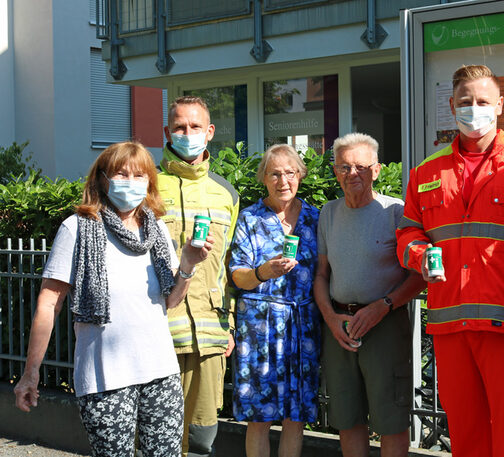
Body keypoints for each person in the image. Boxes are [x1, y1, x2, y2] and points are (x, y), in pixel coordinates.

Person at [396, 64, 504, 457]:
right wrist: (420, 255)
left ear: (500, 105)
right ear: (452, 106)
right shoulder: (425, 173)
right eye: (466, 101)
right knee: (466, 437)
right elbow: (406, 234)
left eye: (483, 101)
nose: (474, 109)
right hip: (450, 324)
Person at [13, 142, 213, 456]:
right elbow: (49, 302)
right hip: (105, 377)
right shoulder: (77, 228)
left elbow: (171, 300)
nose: (131, 182)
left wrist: (187, 264)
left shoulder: (156, 229)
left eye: (139, 175)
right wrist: (30, 373)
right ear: (103, 179)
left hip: (161, 372)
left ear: (149, 182)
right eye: (122, 173)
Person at [314, 133, 425, 457]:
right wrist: (331, 318)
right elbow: (321, 275)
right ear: (335, 171)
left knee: (390, 420)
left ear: (376, 170)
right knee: (347, 419)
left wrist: (384, 306)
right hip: (340, 327)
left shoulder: (396, 213)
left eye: (361, 166)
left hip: (385, 326)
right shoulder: (328, 213)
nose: (353, 174)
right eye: (345, 167)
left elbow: (419, 276)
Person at [159, 96, 240, 456]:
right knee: (158, 436)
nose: (187, 133)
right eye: (179, 127)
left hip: (210, 335)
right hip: (158, 333)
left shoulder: (226, 193)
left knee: (202, 439)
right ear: (167, 132)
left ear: (209, 133)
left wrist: (231, 326)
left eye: (195, 127)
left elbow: (228, 266)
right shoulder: (147, 187)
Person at [229, 144, 321, 457]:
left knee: (296, 417)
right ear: (264, 179)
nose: (284, 181)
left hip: (302, 328)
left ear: (301, 175)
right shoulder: (250, 218)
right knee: (259, 416)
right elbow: (237, 276)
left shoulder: (315, 218)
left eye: (290, 173)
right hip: (259, 328)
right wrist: (264, 271)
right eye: (275, 174)